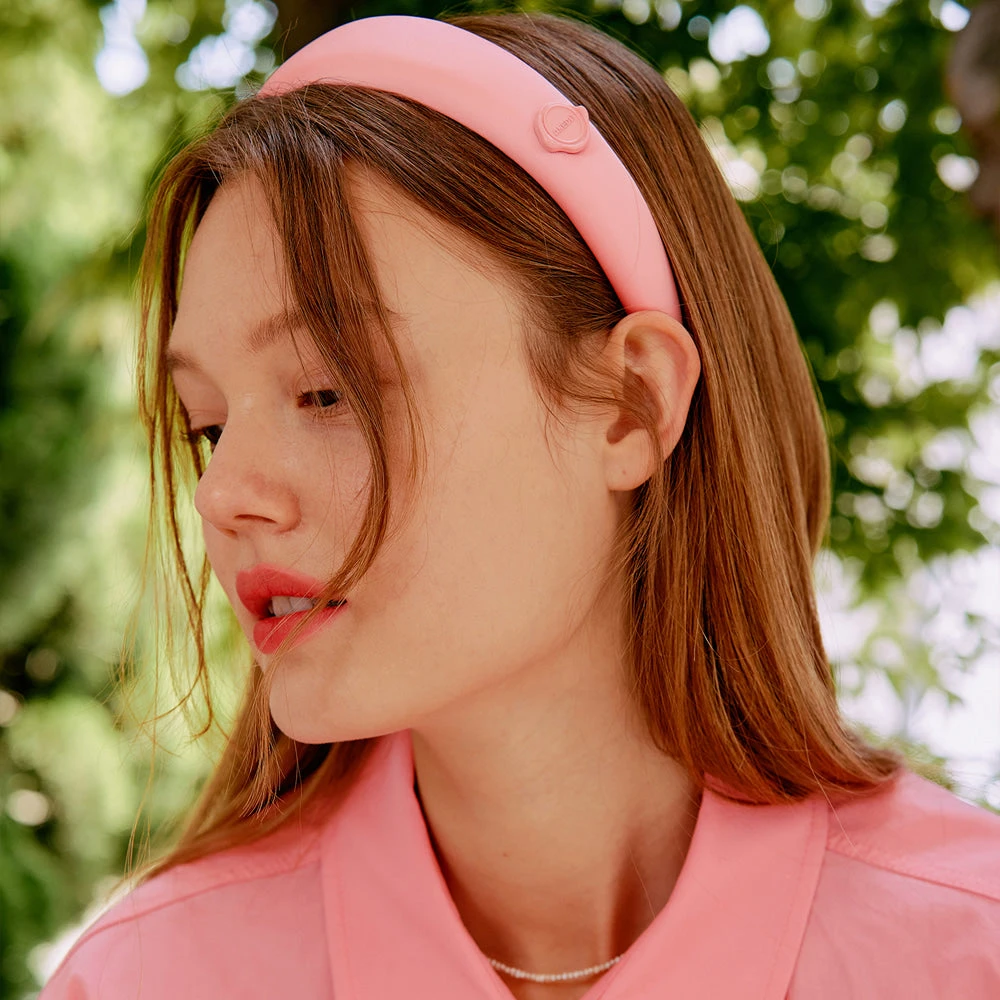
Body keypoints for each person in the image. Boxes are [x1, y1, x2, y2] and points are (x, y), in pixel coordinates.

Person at [40, 11, 999, 1000]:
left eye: (328, 392)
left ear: (630, 405)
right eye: (208, 426)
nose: (223, 494)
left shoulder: (968, 953)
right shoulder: (144, 980)